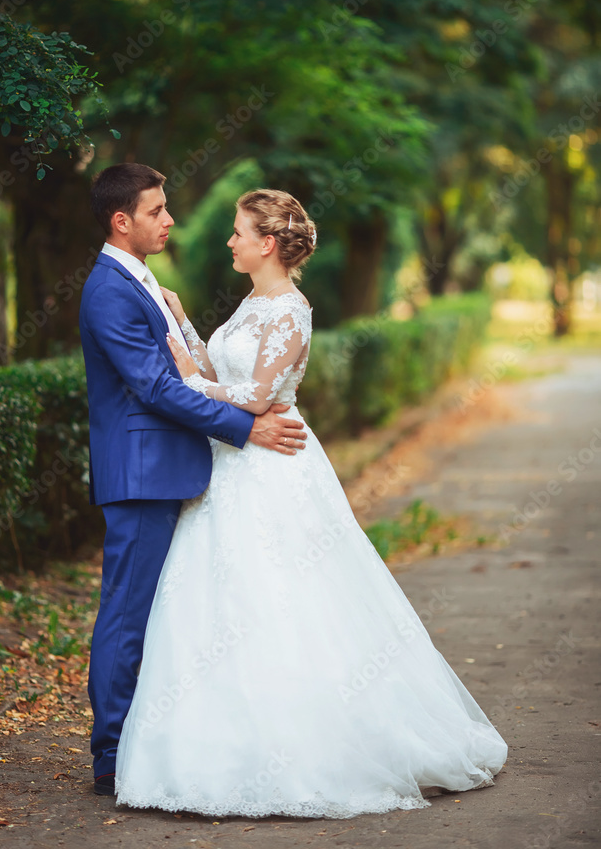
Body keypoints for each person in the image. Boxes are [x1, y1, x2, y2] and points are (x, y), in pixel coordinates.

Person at [114, 188, 508, 818]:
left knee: (285, 597)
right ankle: (220, 746)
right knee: (218, 599)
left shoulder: (290, 309)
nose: (230, 240)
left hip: (273, 466)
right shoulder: (250, 304)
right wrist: (183, 321)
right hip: (230, 466)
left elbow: (256, 396)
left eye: (239, 232)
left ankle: (306, 746)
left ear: (267, 243)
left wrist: (184, 382)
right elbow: (220, 370)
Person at [79, 165, 307, 796]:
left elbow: (185, 366)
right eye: (157, 210)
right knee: (128, 614)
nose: (170, 219)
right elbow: (153, 387)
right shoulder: (109, 290)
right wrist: (245, 427)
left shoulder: (144, 283)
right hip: (142, 474)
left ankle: (148, 741)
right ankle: (113, 755)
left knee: (165, 611)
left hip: (170, 469)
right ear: (122, 221)